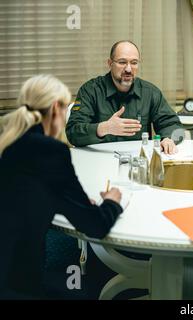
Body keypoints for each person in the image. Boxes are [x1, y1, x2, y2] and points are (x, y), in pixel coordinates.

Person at [0, 75, 123, 299]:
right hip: (15, 284)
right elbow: (96, 226)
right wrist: (112, 202)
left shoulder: (8, 142)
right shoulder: (50, 151)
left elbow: (25, 198)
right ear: (57, 108)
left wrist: (73, 202)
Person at [66, 40, 183, 154]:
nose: (128, 69)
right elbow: (73, 132)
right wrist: (103, 128)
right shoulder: (90, 90)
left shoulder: (150, 92)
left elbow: (173, 125)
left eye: (134, 63)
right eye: (122, 62)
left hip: (137, 160)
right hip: (98, 160)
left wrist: (168, 138)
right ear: (110, 63)